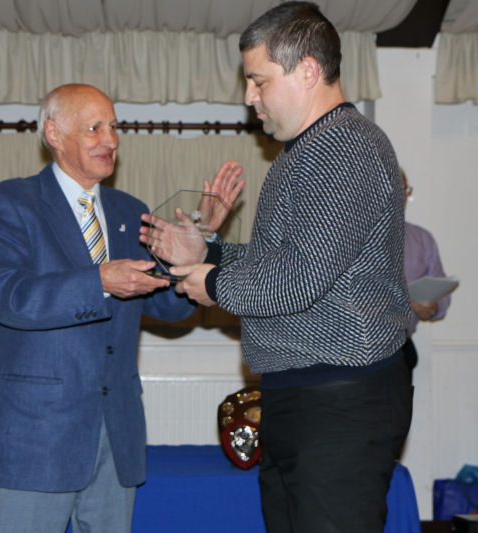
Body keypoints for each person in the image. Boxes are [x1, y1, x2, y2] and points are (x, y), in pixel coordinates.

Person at [141, 3, 413, 532]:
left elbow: (298, 280)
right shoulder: (303, 153)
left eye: (258, 81)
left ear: (308, 71)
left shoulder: (344, 149)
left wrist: (212, 282)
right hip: (306, 395)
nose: (249, 97)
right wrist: (209, 253)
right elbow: (282, 263)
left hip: (340, 399)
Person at [0, 83, 243, 533]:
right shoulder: (11, 202)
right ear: (54, 134)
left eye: (115, 127)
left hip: (115, 434)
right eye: (95, 128)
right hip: (36, 437)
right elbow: (8, 297)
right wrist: (98, 281)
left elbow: (174, 308)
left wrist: (202, 241)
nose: (112, 139)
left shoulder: (129, 210)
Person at [401, 168, 451, 371]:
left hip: (401, 350)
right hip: (358, 351)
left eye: (404, 189)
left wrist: (433, 307)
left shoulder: (422, 239)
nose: (401, 196)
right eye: (394, 188)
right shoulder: (355, 239)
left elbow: (441, 292)